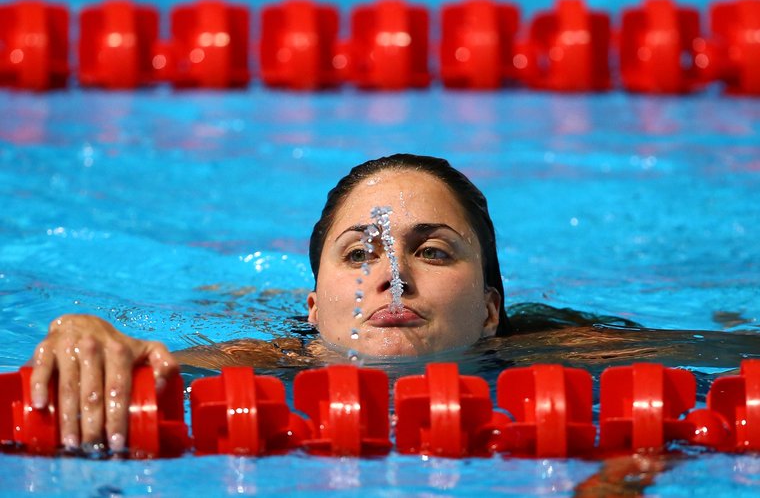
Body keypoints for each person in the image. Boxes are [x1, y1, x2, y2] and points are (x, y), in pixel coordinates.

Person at [26, 153, 513, 453]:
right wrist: (88, 339)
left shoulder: (577, 356)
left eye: (432, 252)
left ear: (490, 311)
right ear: (315, 309)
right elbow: (142, 366)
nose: (395, 278)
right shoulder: (267, 362)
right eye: (360, 254)